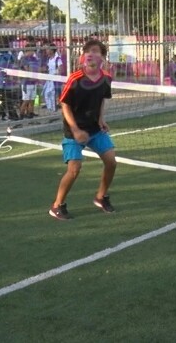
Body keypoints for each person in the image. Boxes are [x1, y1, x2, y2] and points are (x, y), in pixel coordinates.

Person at [49, 39, 117, 221]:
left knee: (111, 162)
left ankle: (101, 197)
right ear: (83, 57)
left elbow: (101, 99)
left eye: (96, 51)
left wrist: (101, 119)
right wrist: (76, 130)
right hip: (74, 131)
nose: (91, 54)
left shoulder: (106, 79)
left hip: (94, 129)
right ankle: (57, 205)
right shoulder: (75, 79)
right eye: (88, 51)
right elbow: (64, 104)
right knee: (74, 169)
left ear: (102, 57)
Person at [19, 47, 40, 119]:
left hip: (33, 82)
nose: (33, 52)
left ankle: (30, 113)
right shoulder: (23, 59)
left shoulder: (34, 59)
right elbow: (27, 70)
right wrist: (32, 75)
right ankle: (21, 114)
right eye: (32, 51)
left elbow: (37, 68)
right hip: (26, 83)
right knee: (26, 100)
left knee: (32, 99)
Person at [42, 44, 64, 112]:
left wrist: (54, 73)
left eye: (48, 49)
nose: (46, 50)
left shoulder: (58, 59)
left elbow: (61, 70)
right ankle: (52, 108)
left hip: (56, 81)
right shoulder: (49, 59)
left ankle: (61, 108)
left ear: (52, 50)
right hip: (50, 80)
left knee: (57, 95)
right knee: (48, 93)